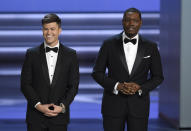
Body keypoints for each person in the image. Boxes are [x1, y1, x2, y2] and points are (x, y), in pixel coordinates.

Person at [92, 8, 164, 131]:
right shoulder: (108, 44)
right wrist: (117, 86)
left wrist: (140, 88)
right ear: (122, 22)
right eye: (128, 20)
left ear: (140, 22)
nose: (131, 24)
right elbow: (97, 73)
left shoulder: (151, 47)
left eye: (135, 21)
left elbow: (158, 77)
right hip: (113, 106)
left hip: (139, 106)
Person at [21, 13, 79, 131]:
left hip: (59, 118)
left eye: (52, 29)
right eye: (46, 29)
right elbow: (25, 84)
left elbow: (73, 85)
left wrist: (62, 106)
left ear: (59, 30)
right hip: (35, 118)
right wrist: (39, 106)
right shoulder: (31, 54)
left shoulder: (71, 55)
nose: (49, 33)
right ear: (42, 30)